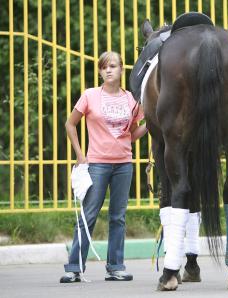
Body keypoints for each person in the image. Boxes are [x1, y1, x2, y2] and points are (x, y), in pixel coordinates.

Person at [60, 51, 147, 283]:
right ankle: (74, 268)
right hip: (97, 164)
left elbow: (131, 133)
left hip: (123, 165)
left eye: (113, 66)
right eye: (104, 67)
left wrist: (150, 125)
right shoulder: (90, 96)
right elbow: (70, 124)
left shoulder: (131, 99)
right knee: (88, 215)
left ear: (121, 70)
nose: (108, 70)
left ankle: (116, 267)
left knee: (118, 217)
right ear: (100, 71)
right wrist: (80, 155)